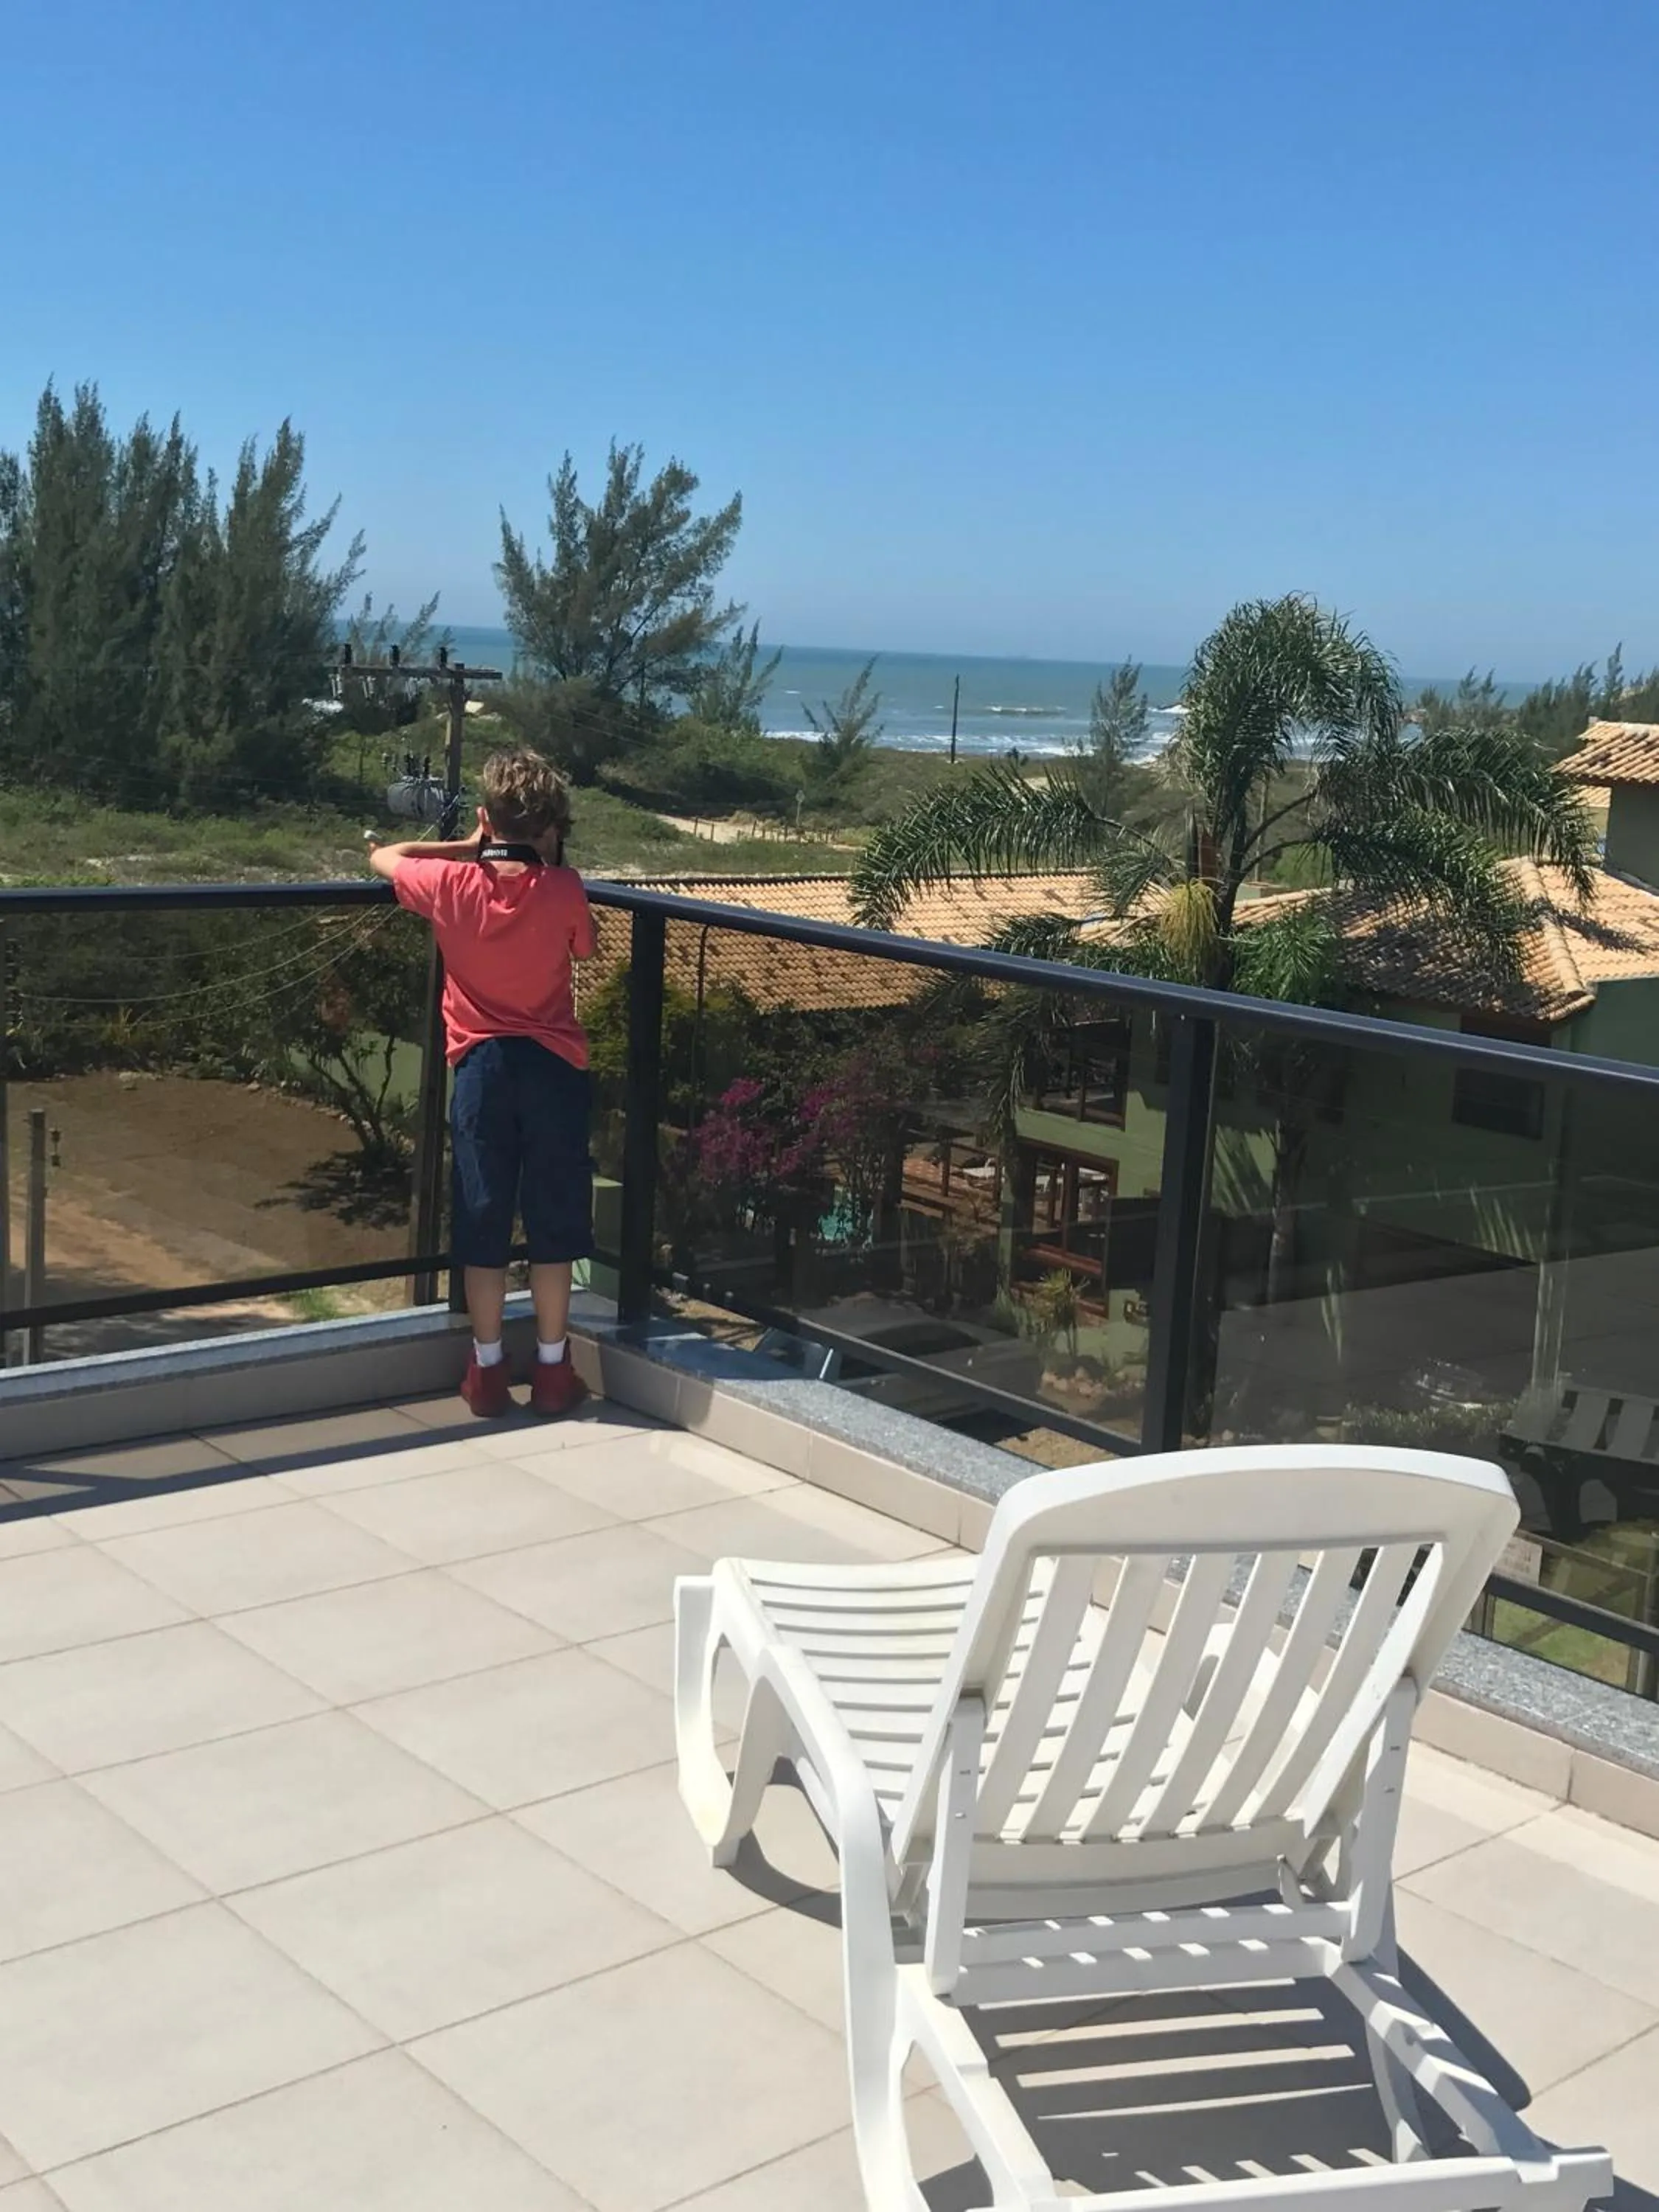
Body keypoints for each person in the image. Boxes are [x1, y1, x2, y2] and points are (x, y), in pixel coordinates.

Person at [369, 747, 595, 1418]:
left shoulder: (450, 886)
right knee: (554, 1222)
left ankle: (488, 1371)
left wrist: (465, 848)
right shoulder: (566, 888)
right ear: (548, 827)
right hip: (553, 1067)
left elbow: (385, 855)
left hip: (481, 1068)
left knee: (483, 1217)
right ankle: (554, 1371)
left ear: (485, 820)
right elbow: (582, 948)